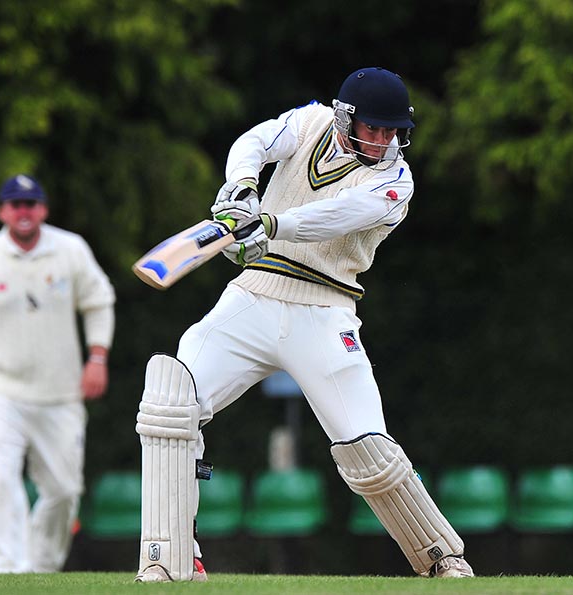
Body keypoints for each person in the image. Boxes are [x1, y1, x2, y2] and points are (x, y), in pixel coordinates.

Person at [134, 67, 474, 582]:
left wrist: (268, 224)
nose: (382, 140)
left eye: (392, 131)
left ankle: (441, 559)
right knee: (171, 402)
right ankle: (170, 557)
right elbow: (254, 141)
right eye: (373, 128)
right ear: (344, 118)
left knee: (368, 449)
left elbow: (337, 216)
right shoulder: (311, 121)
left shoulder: (395, 182)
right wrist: (241, 188)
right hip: (252, 297)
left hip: (325, 310)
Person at [0, 174, 116, 573]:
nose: (23, 212)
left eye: (30, 204)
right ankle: (5, 566)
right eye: (15, 205)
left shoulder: (70, 249)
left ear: (42, 209)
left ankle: (41, 567)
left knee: (64, 490)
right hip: (2, 389)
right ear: (3, 212)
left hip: (60, 392)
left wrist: (97, 358)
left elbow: (98, 301)